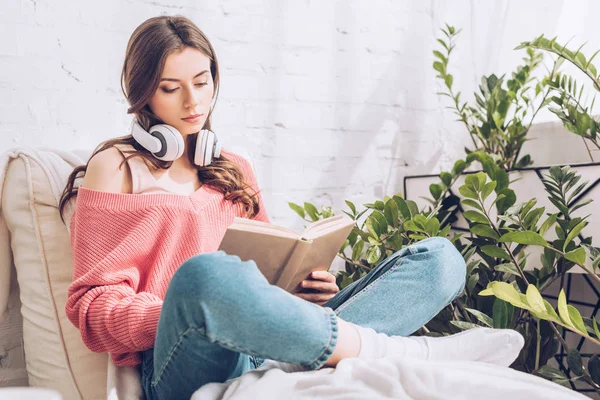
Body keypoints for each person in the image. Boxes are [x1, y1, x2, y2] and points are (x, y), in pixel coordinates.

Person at [59, 15, 522, 400]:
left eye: (202, 82)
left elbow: (269, 262)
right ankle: (387, 350)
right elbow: (91, 311)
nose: (193, 100)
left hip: (266, 345)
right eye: (170, 88)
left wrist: (301, 290)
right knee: (207, 275)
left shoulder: (232, 167)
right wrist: (202, 306)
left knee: (440, 259)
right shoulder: (115, 167)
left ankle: (301, 351)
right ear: (143, 93)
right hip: (182, 360)